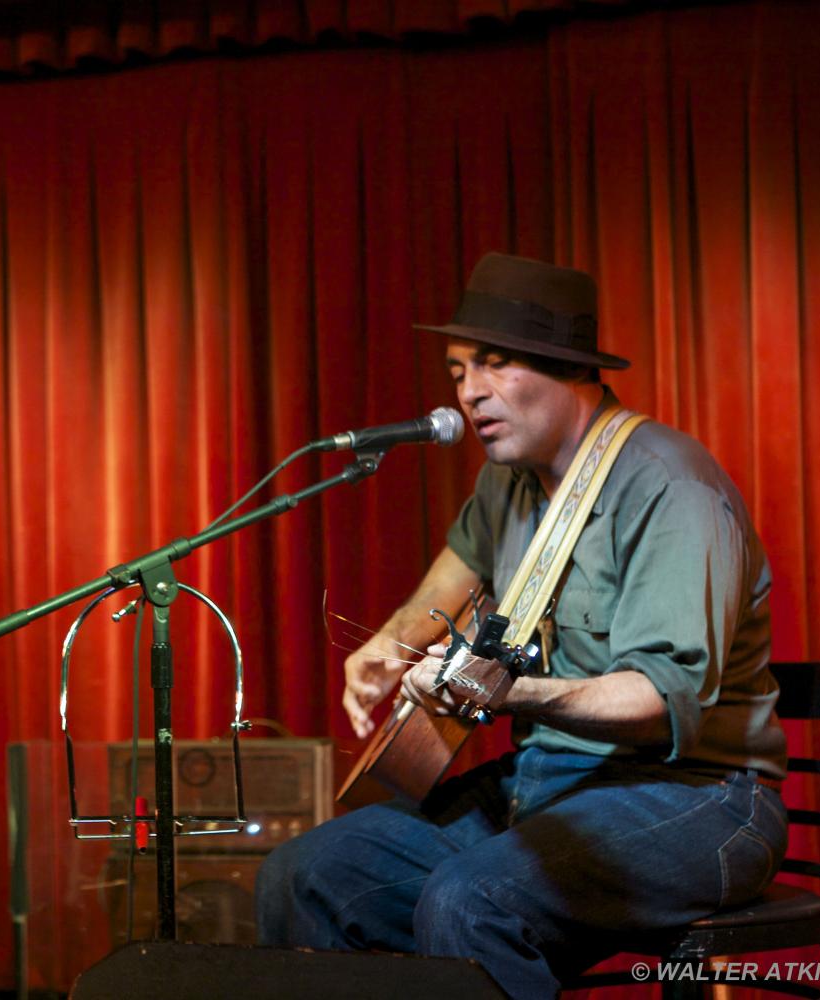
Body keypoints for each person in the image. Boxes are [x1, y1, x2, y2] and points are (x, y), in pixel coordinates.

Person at [254, 252, 787, 998]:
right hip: (552, 783)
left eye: (494, 366)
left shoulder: (670, 486)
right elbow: (459, 562)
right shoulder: (506, 482)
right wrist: (392, 641)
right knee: (304, 876)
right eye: (457, 371)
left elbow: (660, 702)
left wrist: (511, 694)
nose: (469, 394)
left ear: (571, 372)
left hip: (696, 798)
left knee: (471, 901)